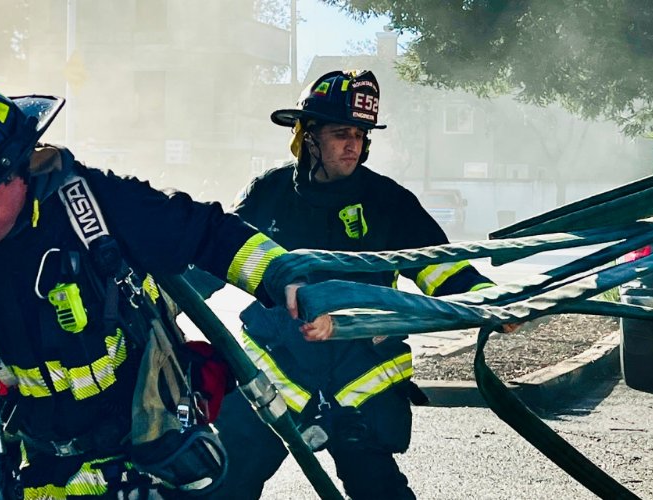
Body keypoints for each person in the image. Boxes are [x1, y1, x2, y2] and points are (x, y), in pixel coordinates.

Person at [0, 81, 332, 498]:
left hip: (137, 459)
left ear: (18, 167)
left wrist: (280, 276)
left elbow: (207, 232)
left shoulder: (96, 206)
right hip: (36, 467)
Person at [209, 69, 518, 499]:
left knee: (377, 488)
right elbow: (216, 258)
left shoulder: (389, 203)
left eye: (360, 133)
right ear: (307, 136)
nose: (353, 144)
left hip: (357, 376)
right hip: (278, 369)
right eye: (340, 133)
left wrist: (494, 303)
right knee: (228, 482)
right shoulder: (269, 193)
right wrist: (163, 293)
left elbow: (442, 271)